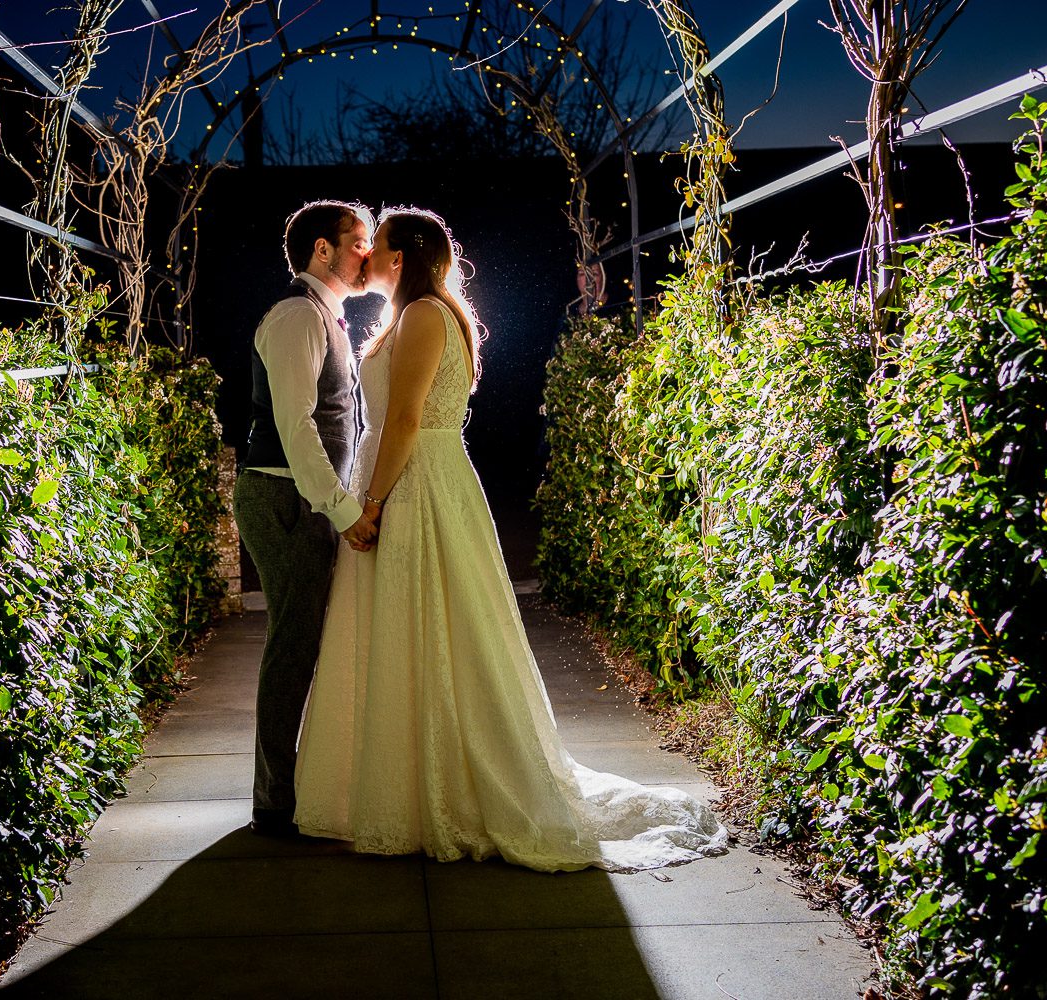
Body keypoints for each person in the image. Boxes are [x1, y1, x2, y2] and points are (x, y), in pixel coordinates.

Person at [293, 207, 728, 872]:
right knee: (405, 631)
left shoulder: (425, 316)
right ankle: (405, 783)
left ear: (402, 256)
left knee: (440, 628)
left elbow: (407, 418)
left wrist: (371, 502)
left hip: (416, 486)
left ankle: (453, 786)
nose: (366, 257)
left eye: (375, 246)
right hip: (404, 477)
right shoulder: (408, 316)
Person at [234, 199, 381, 838]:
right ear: (322, 249)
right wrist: (343, 508)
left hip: (304, 496)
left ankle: (294, 788)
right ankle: (274, 803)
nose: (367, 255)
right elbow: (295, 425)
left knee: (304, 642)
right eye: (359, 242)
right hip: (283, 497)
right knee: (292, 644)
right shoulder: (297, 316)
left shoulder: (328, 316)